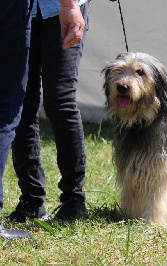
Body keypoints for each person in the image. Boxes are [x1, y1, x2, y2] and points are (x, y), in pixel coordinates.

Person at [0, 0, 85, 239]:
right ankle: (31, 199)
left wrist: (70, 5)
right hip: (20, 10)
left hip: (63, 7)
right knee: (22, 104)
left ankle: (73, 198)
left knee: (60, 100)